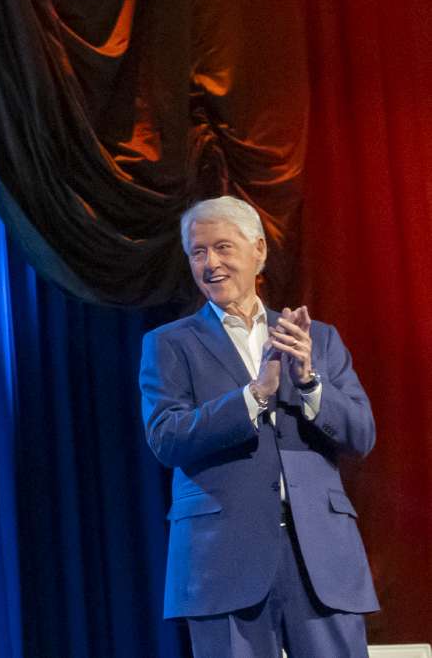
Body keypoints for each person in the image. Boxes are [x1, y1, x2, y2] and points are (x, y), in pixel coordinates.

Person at [138, 196, 378, 656]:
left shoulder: (319, 340)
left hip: (321, 558)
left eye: (223, 247)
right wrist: (255, 395)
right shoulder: (169, 344)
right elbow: (166, 438)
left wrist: (308, 382)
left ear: (259, 251)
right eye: (198, 252)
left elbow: (361, 434)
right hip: (223, 560)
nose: (211, 263)